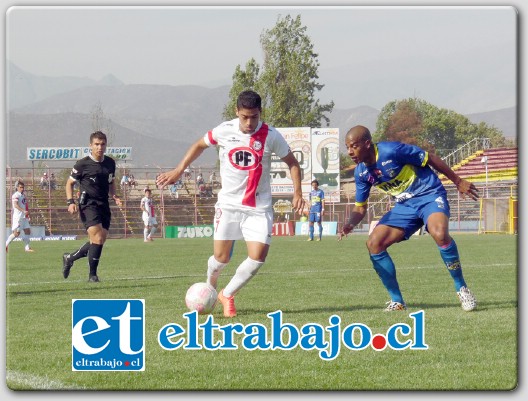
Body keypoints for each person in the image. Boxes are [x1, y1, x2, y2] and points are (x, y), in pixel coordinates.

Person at [156, 90, 305, 317]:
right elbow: (198, 145)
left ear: (259, 113)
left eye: (253, 117)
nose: (249, 122)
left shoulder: (271, 135)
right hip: (229, 205)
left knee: (258, 257)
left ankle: (227, 294)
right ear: (237, 112)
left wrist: (297, 193)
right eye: (244, 117)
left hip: (258, 206)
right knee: (221, 259)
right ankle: (210, 284)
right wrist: (179, 170)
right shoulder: (224, 130)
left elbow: (293, 163)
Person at [338, 125, 479, 312]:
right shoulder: (361, 173)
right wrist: (349, 224)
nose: (349, 152)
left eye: (353, 146)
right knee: (374, 243)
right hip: (404, 207)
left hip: (429, 195)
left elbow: (431, 159)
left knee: (440, 234)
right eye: (347, 147)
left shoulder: (392, 151)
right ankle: (397, 301)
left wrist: (458, 181)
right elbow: (360, 207)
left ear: (366, 144)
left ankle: (462, 289)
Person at [62, 131, 122, 282]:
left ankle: (70, 258)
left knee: (99, 240)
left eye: (102, 144)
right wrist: (70, 202)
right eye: (96, 144)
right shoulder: (82, 164)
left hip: (104, 204)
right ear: (90, 145)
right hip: (88, 203)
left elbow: (111, 182)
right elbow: (69, 183)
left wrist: (114, 195)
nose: (99, 147)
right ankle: (92, 275)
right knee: (97, 236)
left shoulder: (110, 163)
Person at [5, 182, 35, 253]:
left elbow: (25, 206)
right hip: (18, 218)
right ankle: (5, 245)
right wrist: (23, 211)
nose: (22, 189)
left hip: (24, 217)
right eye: (20, 187)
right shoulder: (16, 195)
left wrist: (27, 214)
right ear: (17, 187)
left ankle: (27, 248)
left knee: (28, 231)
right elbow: (15, 205)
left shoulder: (23, 195)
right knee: (16, 234)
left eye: (23, 187)